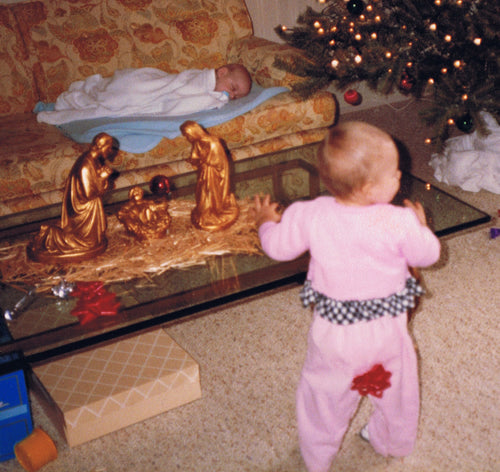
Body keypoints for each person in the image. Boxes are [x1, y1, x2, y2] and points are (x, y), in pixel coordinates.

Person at [253, 121, 441, 472]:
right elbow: (428, 255)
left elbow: (277, 248)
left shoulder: (309, 213)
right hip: (386, 332)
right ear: (369, 187)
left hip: (334, 335)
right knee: (398, 392)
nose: (400, 175)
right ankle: (391, 441)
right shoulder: (399, 221)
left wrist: (265, 222)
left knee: (322, 397)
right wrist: (421, 227)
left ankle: (317, 457)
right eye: (394, 173)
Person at [36, 64, 252, 125]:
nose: (231, 96)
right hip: (142, 85)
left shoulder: (212, 89)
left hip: (152, 92)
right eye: (233, 88)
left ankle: (74, 100)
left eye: (236, 96)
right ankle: (76, 98)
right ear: (222, 72)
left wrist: (216, 99)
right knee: (116, 97)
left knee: (110, 105)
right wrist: (215, 99)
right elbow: (179, 88)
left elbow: (181, 103)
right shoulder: (202, 79)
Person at [27, 133, 118, 263]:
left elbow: (97, 186)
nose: (110, 151)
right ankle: (50, 234)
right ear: (101, 147)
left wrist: (103, 179)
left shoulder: (94, 161)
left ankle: (53, 232)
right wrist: (103, 177)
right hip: (84, 210)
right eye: (109, 148)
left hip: (90, 208)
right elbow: (89, 194)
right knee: (88, 243)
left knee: (95, 240)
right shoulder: (85, 166)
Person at [181, 120, 239, 231]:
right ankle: (204, 212)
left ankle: (212, 212)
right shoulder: (197, 143)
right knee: (201, 192)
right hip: (204, 174)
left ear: (194, 132)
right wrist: (194, 160)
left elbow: (219, 162)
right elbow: (195, 157)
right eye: (186, 136)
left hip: (214, 175)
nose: (187, 138)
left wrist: (204, 160)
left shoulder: (213, 143)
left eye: (188, 135)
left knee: (210, 193)